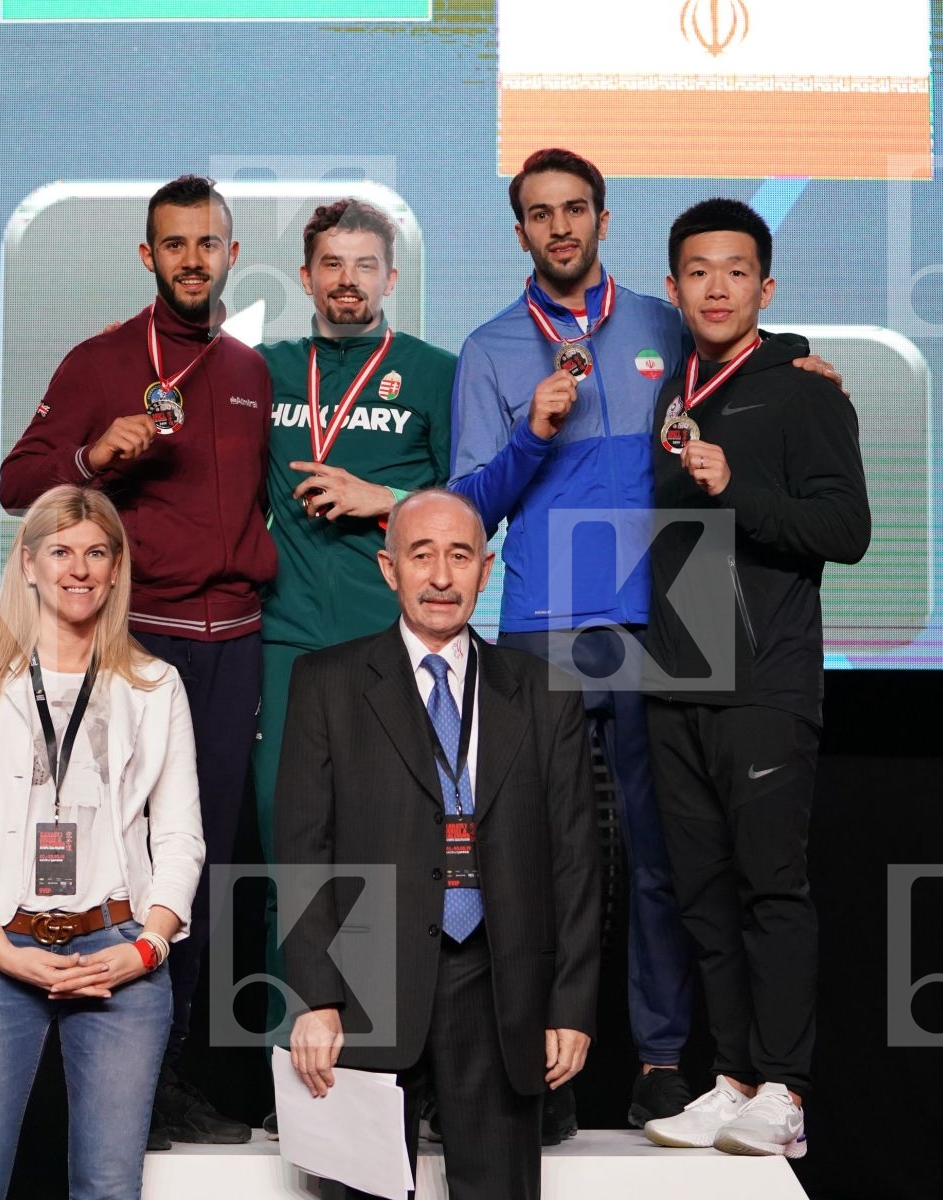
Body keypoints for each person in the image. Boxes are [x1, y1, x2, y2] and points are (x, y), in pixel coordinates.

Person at [448, 147, 844, 1134]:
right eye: (540, 214)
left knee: (677, 857)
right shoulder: (492, 347)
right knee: (532, 850)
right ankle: (534, 1064)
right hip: (546, 616)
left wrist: (797, 351)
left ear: (603, 217)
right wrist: (531, 437)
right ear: (521, 232)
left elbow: (741, 345)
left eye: (575, 208)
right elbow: (467, 509)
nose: (560, 227)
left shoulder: (668, 320)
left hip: (678, 617)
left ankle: (666, 1060)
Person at [0, 174, 271, 1145]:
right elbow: (16, 480)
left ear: (232, 255)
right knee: (124, 855)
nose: (194, 259)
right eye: (175, 244)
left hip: (235, 646)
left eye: (209, 244)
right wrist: (88, 459)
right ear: (147, 257)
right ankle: (120, 1075)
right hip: (139, 643)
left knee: (202, 865)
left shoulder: (248, 368)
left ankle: (169, 1076)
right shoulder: (102, 361)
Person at [277, 487, 601, 1199]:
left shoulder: (545, 693)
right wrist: (316, 996)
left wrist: (569, 1005)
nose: (442, 576)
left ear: (487, 571)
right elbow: (302, 852)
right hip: (362, 992)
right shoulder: (325, 683)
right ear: (389, 569)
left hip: (500, 989)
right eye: (422, 556)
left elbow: (577, 861)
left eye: (460, 557)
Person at [639, 198, 870, 1160]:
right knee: (702, 892)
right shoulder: (676, 390)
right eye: (698, 271)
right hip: (679, 680)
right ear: (674, 288)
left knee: (772, 888)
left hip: (766, 686)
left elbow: (845, 533)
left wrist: (739, 486)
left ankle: (785, 1090)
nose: (717, 287)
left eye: (736, 271)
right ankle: (731, 1075)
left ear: (765, 287)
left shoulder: (807, 389)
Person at [0, 485, 205, 1197]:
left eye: (96, 553)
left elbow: (180, 837)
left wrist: (144, 950)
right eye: (61, 552)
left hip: (119, 956)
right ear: (29, 565)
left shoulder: (154, 684)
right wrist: (0, 950)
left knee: (109, 1187)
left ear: (116, 569)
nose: (79, 569)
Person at [253, 198, 455, 1108]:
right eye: (331, 264)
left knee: (390, 857)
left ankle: (386, 1071)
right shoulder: (259, 374)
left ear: (392, 277)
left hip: (397, 651)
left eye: (365, 265)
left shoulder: (434, 374)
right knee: (285, 852)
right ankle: (286, 1076)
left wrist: (383, 497)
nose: (348, 280)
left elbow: (473, 506)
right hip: (289, 645)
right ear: (305, 279)